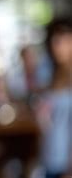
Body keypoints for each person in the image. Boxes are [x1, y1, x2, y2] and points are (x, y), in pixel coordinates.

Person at [34, 18, 72, 178]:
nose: (57, 45)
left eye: (63, 39)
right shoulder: (49, 75)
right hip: (48, 159)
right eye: (54, 39)